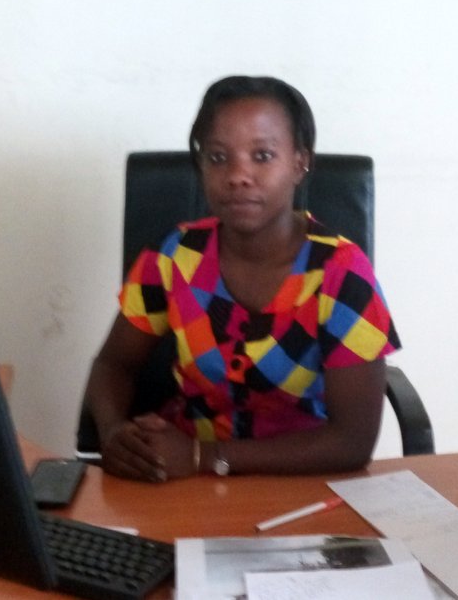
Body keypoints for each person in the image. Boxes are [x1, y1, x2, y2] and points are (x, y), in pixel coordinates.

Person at [83, 75, 400, 482]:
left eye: (262, 156)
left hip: (303, 480)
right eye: (218, 157)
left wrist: (204, 456)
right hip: (181, 481)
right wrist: (114, 433)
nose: (238, 175)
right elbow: (113, 365)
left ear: (300, 162)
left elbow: (352, 442)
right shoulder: (175, 256)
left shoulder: (342, 274)